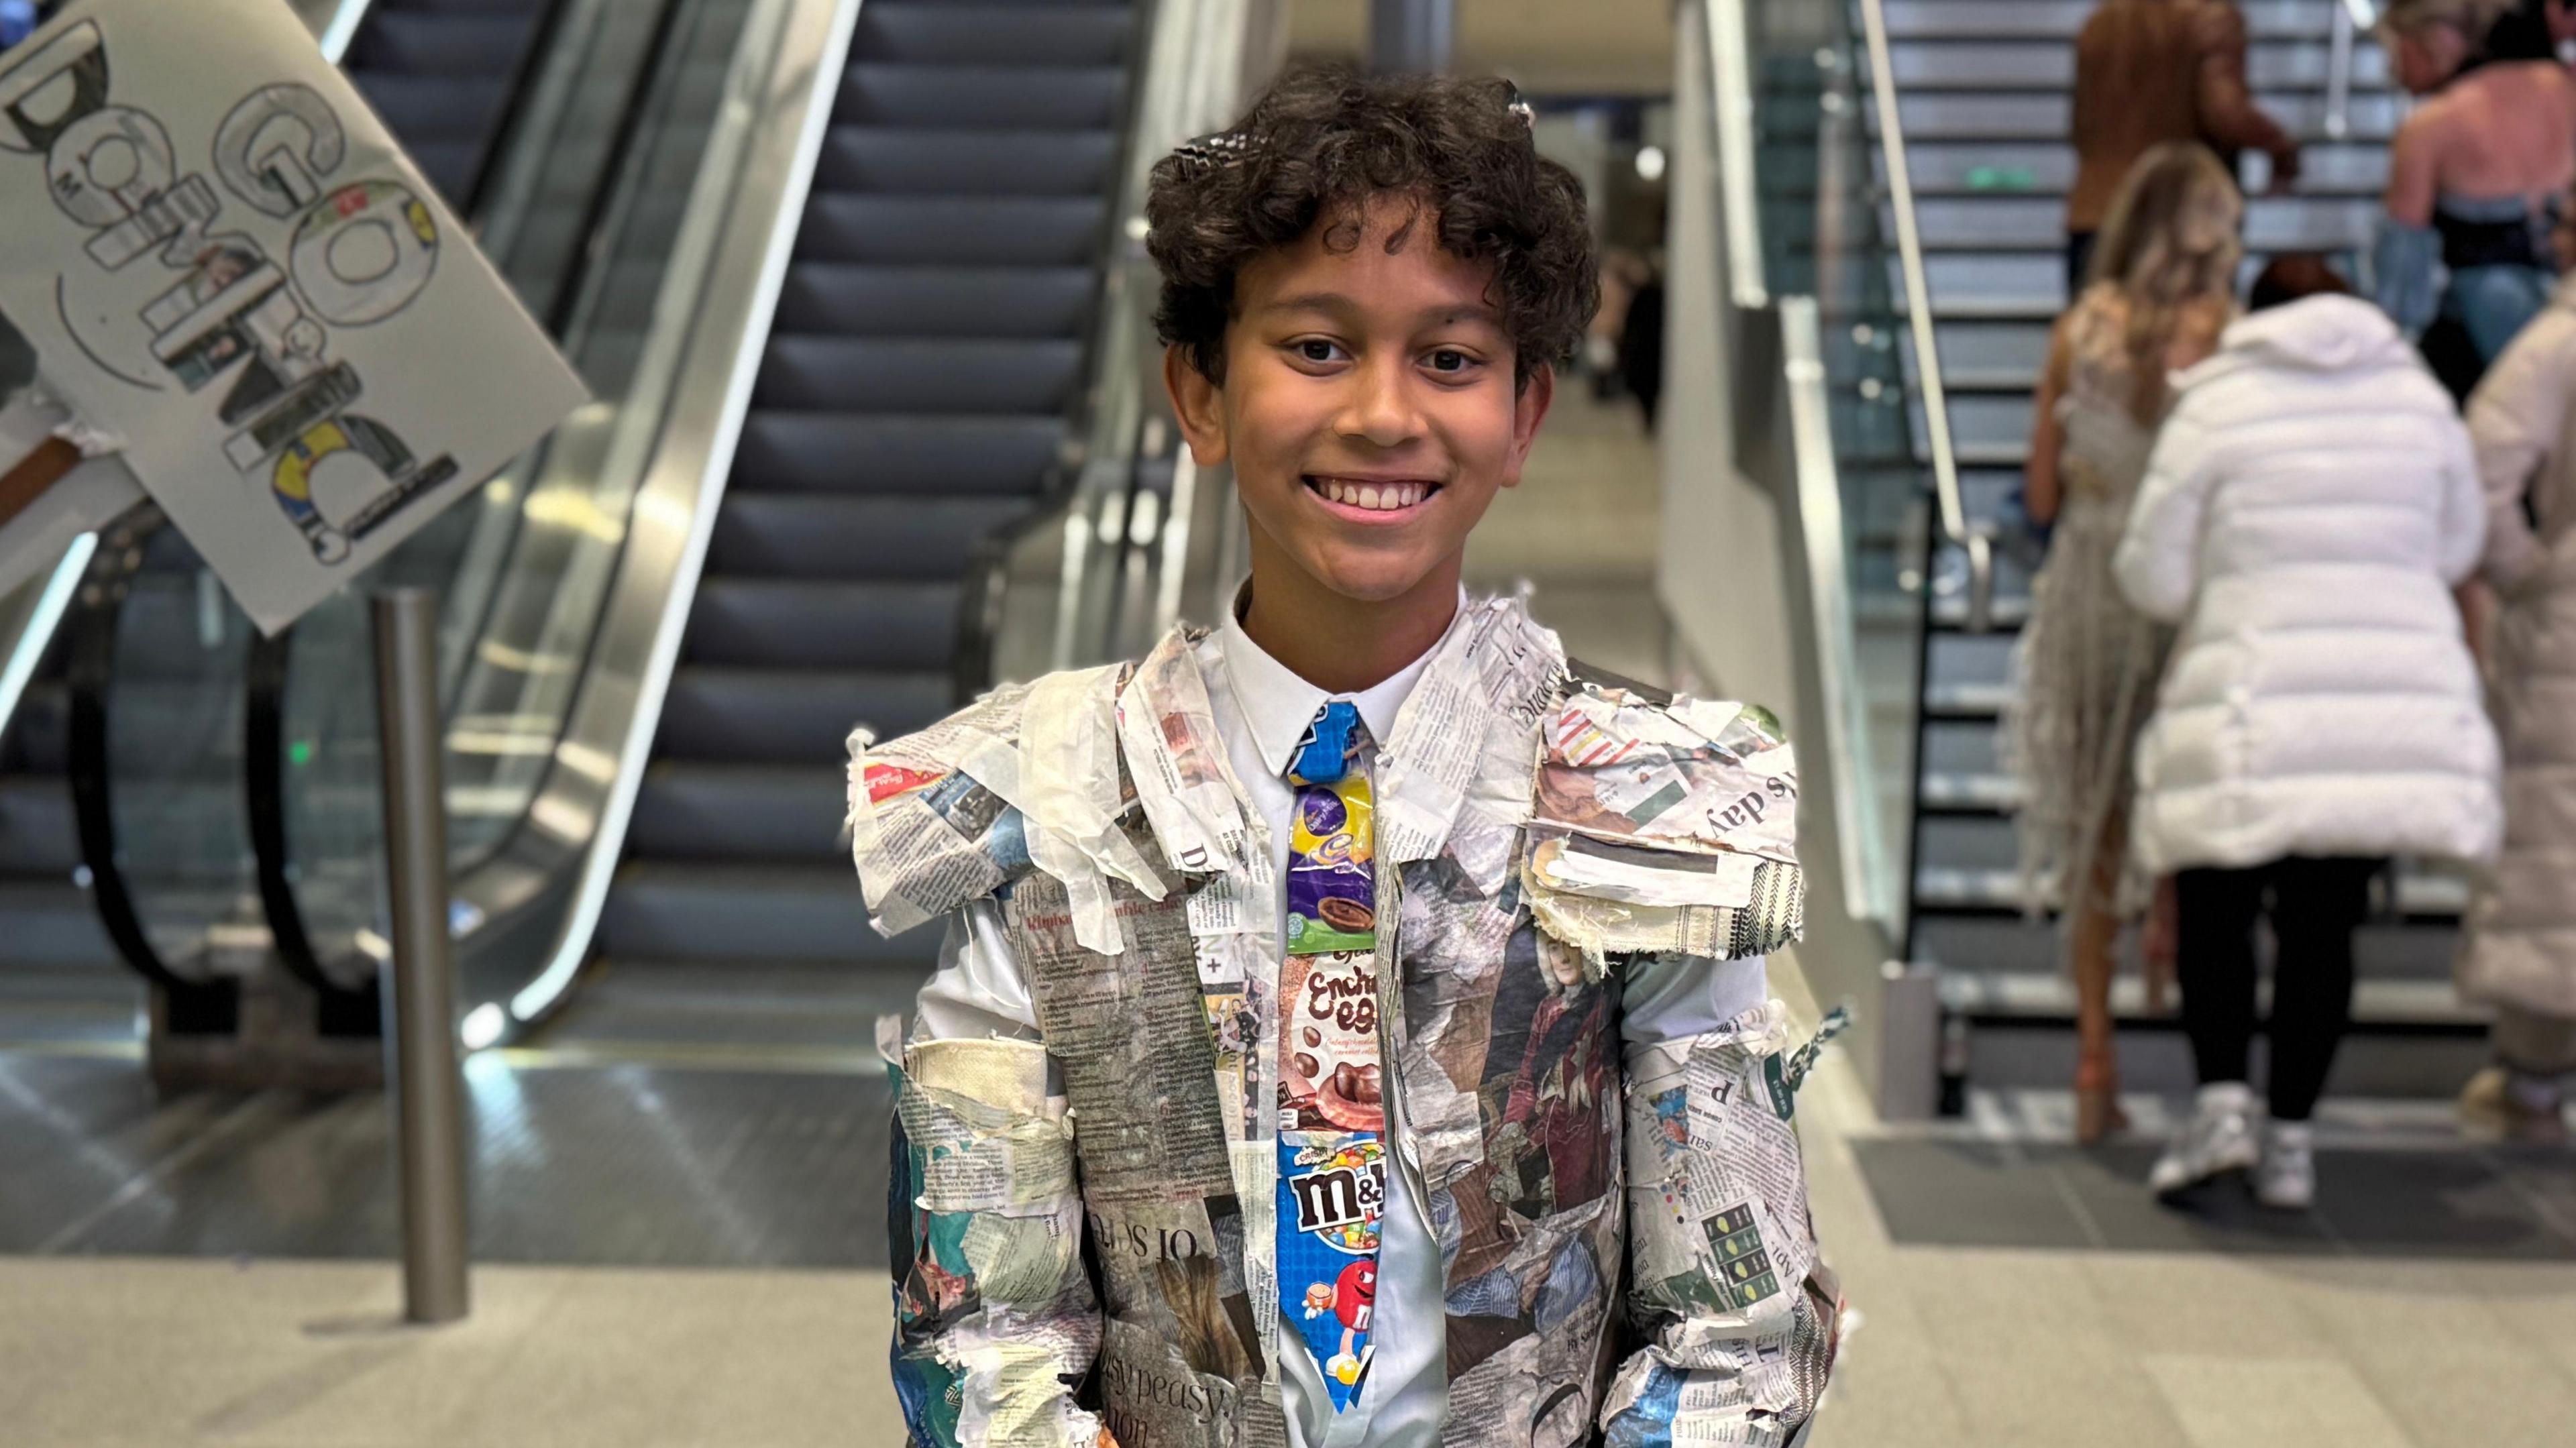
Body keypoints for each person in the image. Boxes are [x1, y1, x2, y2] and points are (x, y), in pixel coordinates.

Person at [867, 70, 1840, 1448]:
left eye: (1450, 358)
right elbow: (978, 1321)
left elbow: (1739, 1325)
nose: (1384, 412)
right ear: (1200, 393)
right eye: (1317, 347)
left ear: (1523, 415)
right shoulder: (1057, 793)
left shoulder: (1636, 805)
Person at [2114, 270, 2502, 1211]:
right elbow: (2457, 548)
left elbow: (2154, 574)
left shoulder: (2219, 402)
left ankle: (2221, 1111)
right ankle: (2292, 1142)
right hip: (2380, 703)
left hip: (2248, 689)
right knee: (2325, 926)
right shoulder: (2421, 402)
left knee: (2217, 906)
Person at [2009, 143, 2239, 1146]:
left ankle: (2095, 1051)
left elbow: (2042, 494)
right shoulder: (2229, 338)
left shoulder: (2079, 333)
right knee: (2192, 819)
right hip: (2193, 597)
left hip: (2092, 596)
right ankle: (2203, 1047)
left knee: (2095, 821)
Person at [2453, 230, 2576, 1143]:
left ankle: (2535, 1080)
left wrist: (2528, 570)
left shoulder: (2556, 342)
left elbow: (2479, 473)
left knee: (2558, 854)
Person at [2372, 0, 2576, 400]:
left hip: (2471, 359)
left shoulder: (2430, 126)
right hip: (2566, 337)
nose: (2393, 68)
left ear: (2435, 40)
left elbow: (2399, 288)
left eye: (2396, 47)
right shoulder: (2566, 91)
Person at [2065, 0, 2299, 294]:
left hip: (2094, 210)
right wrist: (2281, 149)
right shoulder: (2210, 17)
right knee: (2187, 334)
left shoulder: (2099, 22)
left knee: (2097, 330)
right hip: (2180, 220)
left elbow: (2081, 128)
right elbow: (2226, 112)